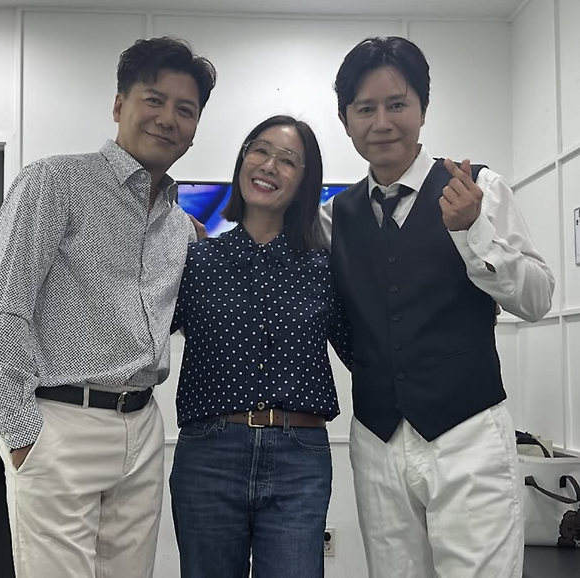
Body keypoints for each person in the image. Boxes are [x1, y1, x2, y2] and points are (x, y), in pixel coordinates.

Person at [0, 37, 216, 578]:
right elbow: (0, 310)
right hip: (59, 422)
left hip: (143, 427)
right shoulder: (55, 182)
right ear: (119, 104)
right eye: (154, 100)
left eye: (185, 109)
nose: (168, 119)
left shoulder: (179, 226)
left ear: (196, 126)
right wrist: (22, 433)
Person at [320, 36, 555, 578]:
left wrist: (473, 232)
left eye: (397, 104)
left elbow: (538, 299)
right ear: (346, 120)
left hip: (467, 433)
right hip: (377, 440)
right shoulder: (335, 217)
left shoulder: (479, 187)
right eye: (365, 109)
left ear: (423, 109)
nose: (382, 123)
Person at [169, 114, 351, 578]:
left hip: (299, 457)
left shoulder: (325, 268)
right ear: (243, 160)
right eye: (260, 151)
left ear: (305, 182)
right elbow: (137, 331)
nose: (269, 165)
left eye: (288, 160)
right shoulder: (196, 260)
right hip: (209, 455)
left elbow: (365, 350)